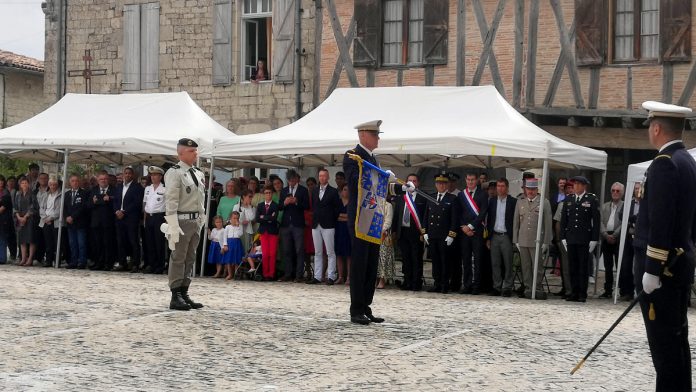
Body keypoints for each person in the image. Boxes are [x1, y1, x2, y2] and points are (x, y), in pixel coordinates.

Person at [633, 101, 696, 391]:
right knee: (676, 341)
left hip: (663, 273)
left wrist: (652, 270)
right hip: (679, 264)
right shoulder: (687, 161)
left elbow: (660, 222)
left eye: (650, 126)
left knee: (664, 350)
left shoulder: (664, 164)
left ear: (656, 128)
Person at [342, 120, 392, 325]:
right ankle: (356, 309)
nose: (378, 138)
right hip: (360, 217)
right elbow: (356, 182)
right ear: (363, 135)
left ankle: (366, 306)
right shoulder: (352, 156)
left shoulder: (373, 158)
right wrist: (381, 176)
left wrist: (398, 187)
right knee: (360, 263)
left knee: (371, 264)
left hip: (374, 216)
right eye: (374, 134)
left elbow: (379, 191)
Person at [162, 138, 206, 311]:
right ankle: (175, 295)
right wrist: (172, 225)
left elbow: (200, 200)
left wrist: (201, 220)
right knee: (178, 257)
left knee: (190, 257)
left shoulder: (198, 173)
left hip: (195, 221)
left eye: (196, 150)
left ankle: (184, 291)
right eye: (191, 151)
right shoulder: (175, 172)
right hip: (181, 220)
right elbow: (171, 200)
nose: (195, 153)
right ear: (180, 153)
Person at [560, 176, 600, 303]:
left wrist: (594, 239)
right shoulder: (569, 199)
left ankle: (582, 293)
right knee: (572, 266)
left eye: (578, 184)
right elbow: (564, 221)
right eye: (574, 184)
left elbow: (596, 221)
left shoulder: (591, 199)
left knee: (583, 267)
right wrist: (563, 237)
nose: (576, 186)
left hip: (584, 238)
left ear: (584, 186)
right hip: (571, 238)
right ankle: (574, 292)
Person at [512, 178, 552, 299]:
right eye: (528, 189)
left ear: (537, 190)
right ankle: (528, 288)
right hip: (523, 239)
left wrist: (546, 241)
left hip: (537, 240)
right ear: (525, 189)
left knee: (537, 266)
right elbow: (516, 222)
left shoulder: (543, 202)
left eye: (533, 189)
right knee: (525, 266)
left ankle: (537, 288)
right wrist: (516, 239)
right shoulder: (520, 202)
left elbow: (548, 223)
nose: (530, 191)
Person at [423, 173, 461, 294]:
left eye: (444, 183)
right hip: (433, 235)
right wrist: (425, 232)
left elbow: (455, 219)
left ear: (447, 185)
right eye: (439, 183)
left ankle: (445, 284)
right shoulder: (431, 197)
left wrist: (451, 235)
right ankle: (437, 283)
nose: (441, 185)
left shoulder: (452, 199)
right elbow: (426, 216)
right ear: (436, 185)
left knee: (445, 261)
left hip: (445, 236)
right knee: (435, 261)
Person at [392, 173, 426, 291]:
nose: (412, 183)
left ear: (418, 183)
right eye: (409, 181)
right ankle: (407, 281)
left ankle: (416, 283)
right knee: (405, 259)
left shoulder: (422, 197)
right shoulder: (401, 196)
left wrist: (424, 232)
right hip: (403, 231)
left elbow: (424, 216)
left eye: (414, 181)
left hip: (416, 232)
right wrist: (394, 231)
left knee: (416, 258)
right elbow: (396, 215)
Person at [308, 168, 341, 285]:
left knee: (330, 251)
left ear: (328, 177)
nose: (322, 178)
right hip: (316, 224)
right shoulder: (314, 190)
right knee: (317, 251)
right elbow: (314, 206)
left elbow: (337, 208)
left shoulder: (333, 191)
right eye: (320, 176)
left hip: (328, 224)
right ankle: (317, 276)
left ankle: (331, 276)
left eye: (324, 176)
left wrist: (331, 217)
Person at [458, 172, 489, 295]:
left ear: (477, 181)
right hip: (464, 232)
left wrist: (471, 226)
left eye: (472, 180)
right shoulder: (461, 195)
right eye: (468, 179)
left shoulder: (483, 194)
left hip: (477, 231)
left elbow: (483, 213)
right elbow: (458, 213)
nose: (470, 182)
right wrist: (464, 227)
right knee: (465, 260)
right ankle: (467, 285)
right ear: (466, 180)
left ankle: (477, 286)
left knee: (478, 260)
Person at [486, 178, 517, 297]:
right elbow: (489, 220)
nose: (500, 188)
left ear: (507, 188)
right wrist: (488, 237)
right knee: (495, 263)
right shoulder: (492, 201)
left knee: (508, 263)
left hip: (506, 236)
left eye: (502, 186)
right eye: (498, 186)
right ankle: (497, 286)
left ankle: (508, 286)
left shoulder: (513, 202)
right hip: (494, 235)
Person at [278, 169, 309, 283]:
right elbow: (280, 207)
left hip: (298, 224)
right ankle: (288, 274)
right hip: (286, 224)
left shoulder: (303, 190)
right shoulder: (284, 190)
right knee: (286, 250)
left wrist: (296, 201)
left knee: (299, 250)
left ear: (296, 179)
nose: (291, 182)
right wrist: (285, 203)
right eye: (289, 180)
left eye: (293, 180)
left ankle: (299, 275)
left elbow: (306, 206)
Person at [112, 166, 144, 272]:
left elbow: (136, 203)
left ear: (133, 175)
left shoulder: (138, 187)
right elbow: (115, 200)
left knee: (133, 241)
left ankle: (135, 264)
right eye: (125, 173)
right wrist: (117, 210)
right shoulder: (119, 186)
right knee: (121, 241)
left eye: (129, 173)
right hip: (119, 218)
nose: (127, 175)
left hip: (131, 218)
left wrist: (124, 211)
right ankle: (122, 263)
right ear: (123, 174)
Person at [599, 182, 624, 298]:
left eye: (617, 191)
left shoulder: (625, 205)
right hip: (606, 237)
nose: (615, 193)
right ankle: (607, 290)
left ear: (622, 193)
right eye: (613, 190)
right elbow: (600, 222)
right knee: (607, 266)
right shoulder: (604, 206)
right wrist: (605, 234)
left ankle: (621, 289)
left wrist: (615, 235)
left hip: (619, 237)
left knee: (620, 265)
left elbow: (624, 222)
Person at [88, 172, 116, 270]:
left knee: (108, 243)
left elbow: (116, 203)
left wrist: (108, 200)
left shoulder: (113, 190)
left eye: (105, 179)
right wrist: (94, 202)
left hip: (108, 222)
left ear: (108, 180)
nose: (103, 181)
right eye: (101, 179)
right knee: (97, 243)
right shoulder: (93, 190)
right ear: (98, 180)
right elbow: (88, 206)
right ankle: (98, 262)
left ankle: (108, 263)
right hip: (96, 222)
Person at [619, 182, 641, 301]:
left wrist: (632, 218)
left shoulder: (646, 203)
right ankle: (627, 292)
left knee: (639, 266)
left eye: (639, 188)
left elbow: (644, 216)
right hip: (629, 237)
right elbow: (622, 216)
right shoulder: (629, 203)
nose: (637, 191)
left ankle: (639, 291)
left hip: (642, 238)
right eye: (635, 188)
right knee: (626, 265)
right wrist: (634, 219)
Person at [553, 181, 575, 298]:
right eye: (568, 188)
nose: (570, 190)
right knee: (565, 267)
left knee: (575, 266)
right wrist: (558, 238)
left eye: (572, 188)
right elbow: (557, 222)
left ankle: (575, 289)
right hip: (564, 239)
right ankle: (568, 290)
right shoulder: (562, 204)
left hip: (576, 239)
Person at [142, 166, 167, 274]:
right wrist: (144, 219)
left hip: (159, 217)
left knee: (159, 242)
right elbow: (145, 204)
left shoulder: (165, 189)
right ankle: (152, 265)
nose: (153, 177)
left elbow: (169, 205)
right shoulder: (148, 188)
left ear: (160, 176)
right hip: (149, 217)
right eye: (151, 175)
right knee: (149, 242)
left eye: (155, 175)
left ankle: (160, 266)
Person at [64, 174, 89, 269]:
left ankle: (82, 261)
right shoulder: (67, 194)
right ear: (70, 182)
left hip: (80, 222)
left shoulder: (84, 193)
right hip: (70, 223)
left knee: (81, 243)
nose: (75, 182)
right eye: (73, 181)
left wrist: (73, 217)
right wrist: (67, 217)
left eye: (76, 181)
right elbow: (65, 207)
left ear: (79, 182)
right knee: (72, 243)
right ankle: (73, 261)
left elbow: (83, 207)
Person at [256, 185, 280, 280]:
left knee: (272, 253)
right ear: (263, 194)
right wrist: (268, 218)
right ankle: (265, 274)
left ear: (272, 194)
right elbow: (257, 218)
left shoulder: (275, 205)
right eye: (266, 193)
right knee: (265, 254)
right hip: (263, 232)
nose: (268, 195)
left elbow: (274, 219)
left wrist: (264, 217)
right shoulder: (260, 205)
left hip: (273, 232)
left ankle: (271, 274)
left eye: (270, 193)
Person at [14, 177, 38, 266]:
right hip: (20, 220)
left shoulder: (32, 194)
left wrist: (25, 217)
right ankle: (23, 258)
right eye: (22, 183)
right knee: (22, 240)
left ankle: (30, 259)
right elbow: (15, 208)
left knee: (31, 239)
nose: (24, 184)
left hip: (30, 219)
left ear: (29, 184)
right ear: (20, 185)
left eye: (25, 183)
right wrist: (19, 217)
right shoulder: (18, 195)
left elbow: (34, 207)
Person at [376, 196, 395, 289]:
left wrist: (381, 230)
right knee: (375, 258)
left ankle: (382, 280)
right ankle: (375, 278)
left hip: (383, 235)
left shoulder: (388, 206)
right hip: (373, 235)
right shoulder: (373, 203)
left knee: (383, 258)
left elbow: (388, 221)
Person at [334, 184, 351, 285]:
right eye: (344, 189)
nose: (346, 192)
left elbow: (352, 217)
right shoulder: (338, 202)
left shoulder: (353, 203)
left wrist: (343, 216)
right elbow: (336, 215)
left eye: (348, 190)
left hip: (348, 230)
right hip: (339, 229)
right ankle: (340, 276)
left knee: (349, 254)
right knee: (339, 254)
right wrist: (345, 217)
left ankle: (349, 277)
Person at [222, 211, 244, 280]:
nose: (235, 220)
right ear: (230, 219)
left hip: (237, 243)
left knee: (236, 259)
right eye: (234, 218)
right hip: (230, 243)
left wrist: (238, 226)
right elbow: (224, 236)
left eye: (237, 218)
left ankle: (236, 274)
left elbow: (240, 234)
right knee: (229, 260)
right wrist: (225, 245)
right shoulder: (227, 227)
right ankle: (230, 274)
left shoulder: (240, 226)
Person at [0, 175, 11, 264]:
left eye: (1, 181)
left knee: (2, 238)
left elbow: (3, 207)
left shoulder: (6, 193)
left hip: (3, 219)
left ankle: (2, 258)